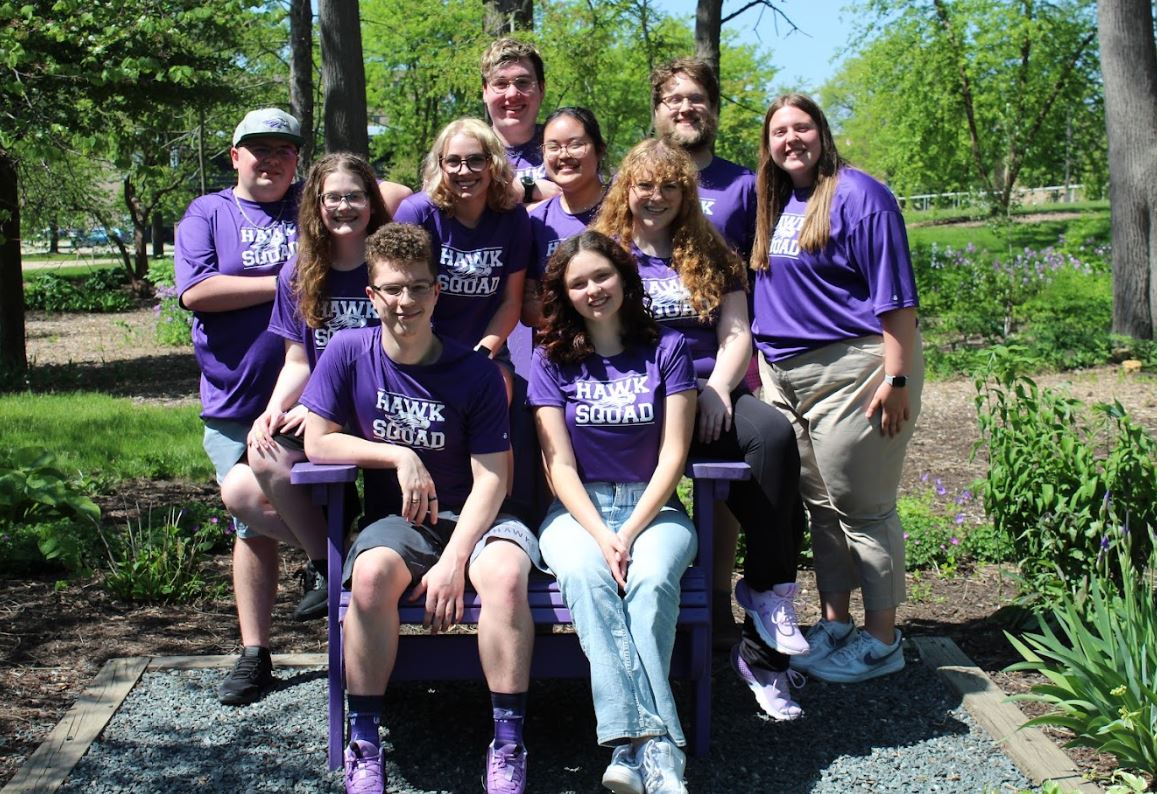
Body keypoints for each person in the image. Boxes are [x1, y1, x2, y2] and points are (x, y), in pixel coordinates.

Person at [300, 223, 541, 794]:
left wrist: (456, 559)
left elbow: (494, 478)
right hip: (400, 523)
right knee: (371, 575)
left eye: (417, 287)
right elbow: (318, 440)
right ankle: (363, 740)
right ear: (371, 295)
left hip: (479, 517)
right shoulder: (348, 352)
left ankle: (508, 741)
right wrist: (398, 454)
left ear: (437, 292)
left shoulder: (475, 373)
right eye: (391, 289)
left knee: (505, 577)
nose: (404, 301)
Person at [592, 139, 809, 721]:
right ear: (626, 190)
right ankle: (745, 645)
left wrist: (716, 389)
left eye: (669, 186)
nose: (655, 197)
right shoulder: (608, 253)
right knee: (765, 498)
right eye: (644, 185)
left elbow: (737, 332)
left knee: (774, 444)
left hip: (713, 396)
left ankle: (767, 603)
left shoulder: (712, 251)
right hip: (639, 402)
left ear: (686, 193)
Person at [750, 93, 924, 684]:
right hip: (784, 373)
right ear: (767, 143)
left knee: (862, 508)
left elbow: (896, 297)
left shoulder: (860, 195)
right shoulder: (775, 201)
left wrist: (897, 377)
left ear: (822, 132)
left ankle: (883, 639)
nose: (791, 139)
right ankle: (837, 623)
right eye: (780, 131)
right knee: (821, 508)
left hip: (854, 370)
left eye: (802, 127)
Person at [528, 230, 698, 794]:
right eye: (578, 283)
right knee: (584, 574)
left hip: (655, 509)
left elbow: (674, 453)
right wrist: (603, 534)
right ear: (565, 294)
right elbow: (559, 468)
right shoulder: (549, 359)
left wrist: (629, 529)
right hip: (579, 513)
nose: (593, 289)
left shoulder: (668, 349)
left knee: (650, 580)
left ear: (624, 278)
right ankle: (658, 749)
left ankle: (631, 748)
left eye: (601, 276)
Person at [174, 107, 303, 705]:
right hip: (235, 399)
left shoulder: (312, 204)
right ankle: (257, 650)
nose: (271, 159)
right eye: (258, 148)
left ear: (298, 159)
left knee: (295, 505)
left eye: (284, 148)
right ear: (235, 155)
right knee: (249, 511)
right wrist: (285, 280)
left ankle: (346, 576)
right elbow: (198, 291)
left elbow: (382, 193)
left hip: (317, 398)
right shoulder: (209, 212)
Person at [239, 153, 391, 622]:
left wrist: (327, 410)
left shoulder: (391, 264)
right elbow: (298, 359)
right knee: (243, 486)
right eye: (333, 198)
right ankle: (329, 561)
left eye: (355, 196)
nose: (344, 207)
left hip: (385, 409)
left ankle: (340, 553)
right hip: (319, 413)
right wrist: (273, 409)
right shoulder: (299, 272)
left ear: (371, 202)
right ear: (316, 205)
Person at [650, 58, 761, 639]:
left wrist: (736, 371)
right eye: (673, 99)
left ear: (712, 108)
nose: (685, 107)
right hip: (649, 375)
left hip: (721, 362)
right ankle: (657, 589)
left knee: (719, 484)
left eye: (696, 98)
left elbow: (756, 284)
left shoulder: (743, 186)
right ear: (657, 110)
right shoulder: (641, 180)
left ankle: (718, 597)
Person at [392, 117, 530, 396]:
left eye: (475, 160)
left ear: (493, 163)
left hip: (484, 345)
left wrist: (483, 352)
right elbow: (399, 296)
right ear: (440, 164)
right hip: (420, 343)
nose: (464, 171)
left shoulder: (513, 218)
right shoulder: (417, 214)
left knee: (495, 394)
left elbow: (511, 301)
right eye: (453, 161)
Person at [523, 106, 609, 328]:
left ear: (599, 149)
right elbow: (527, 307)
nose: (563, 155)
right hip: (558, 351)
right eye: (553, 147)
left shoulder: (624, 209)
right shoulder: (536, 221)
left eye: (575, 144)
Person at [480, 37, 561, 207]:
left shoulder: (565, 147)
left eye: (523, 82)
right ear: (485, 92)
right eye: (501, 84)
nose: (512, 94)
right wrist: (527, 188)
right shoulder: (468, 151)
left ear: (541, 89)